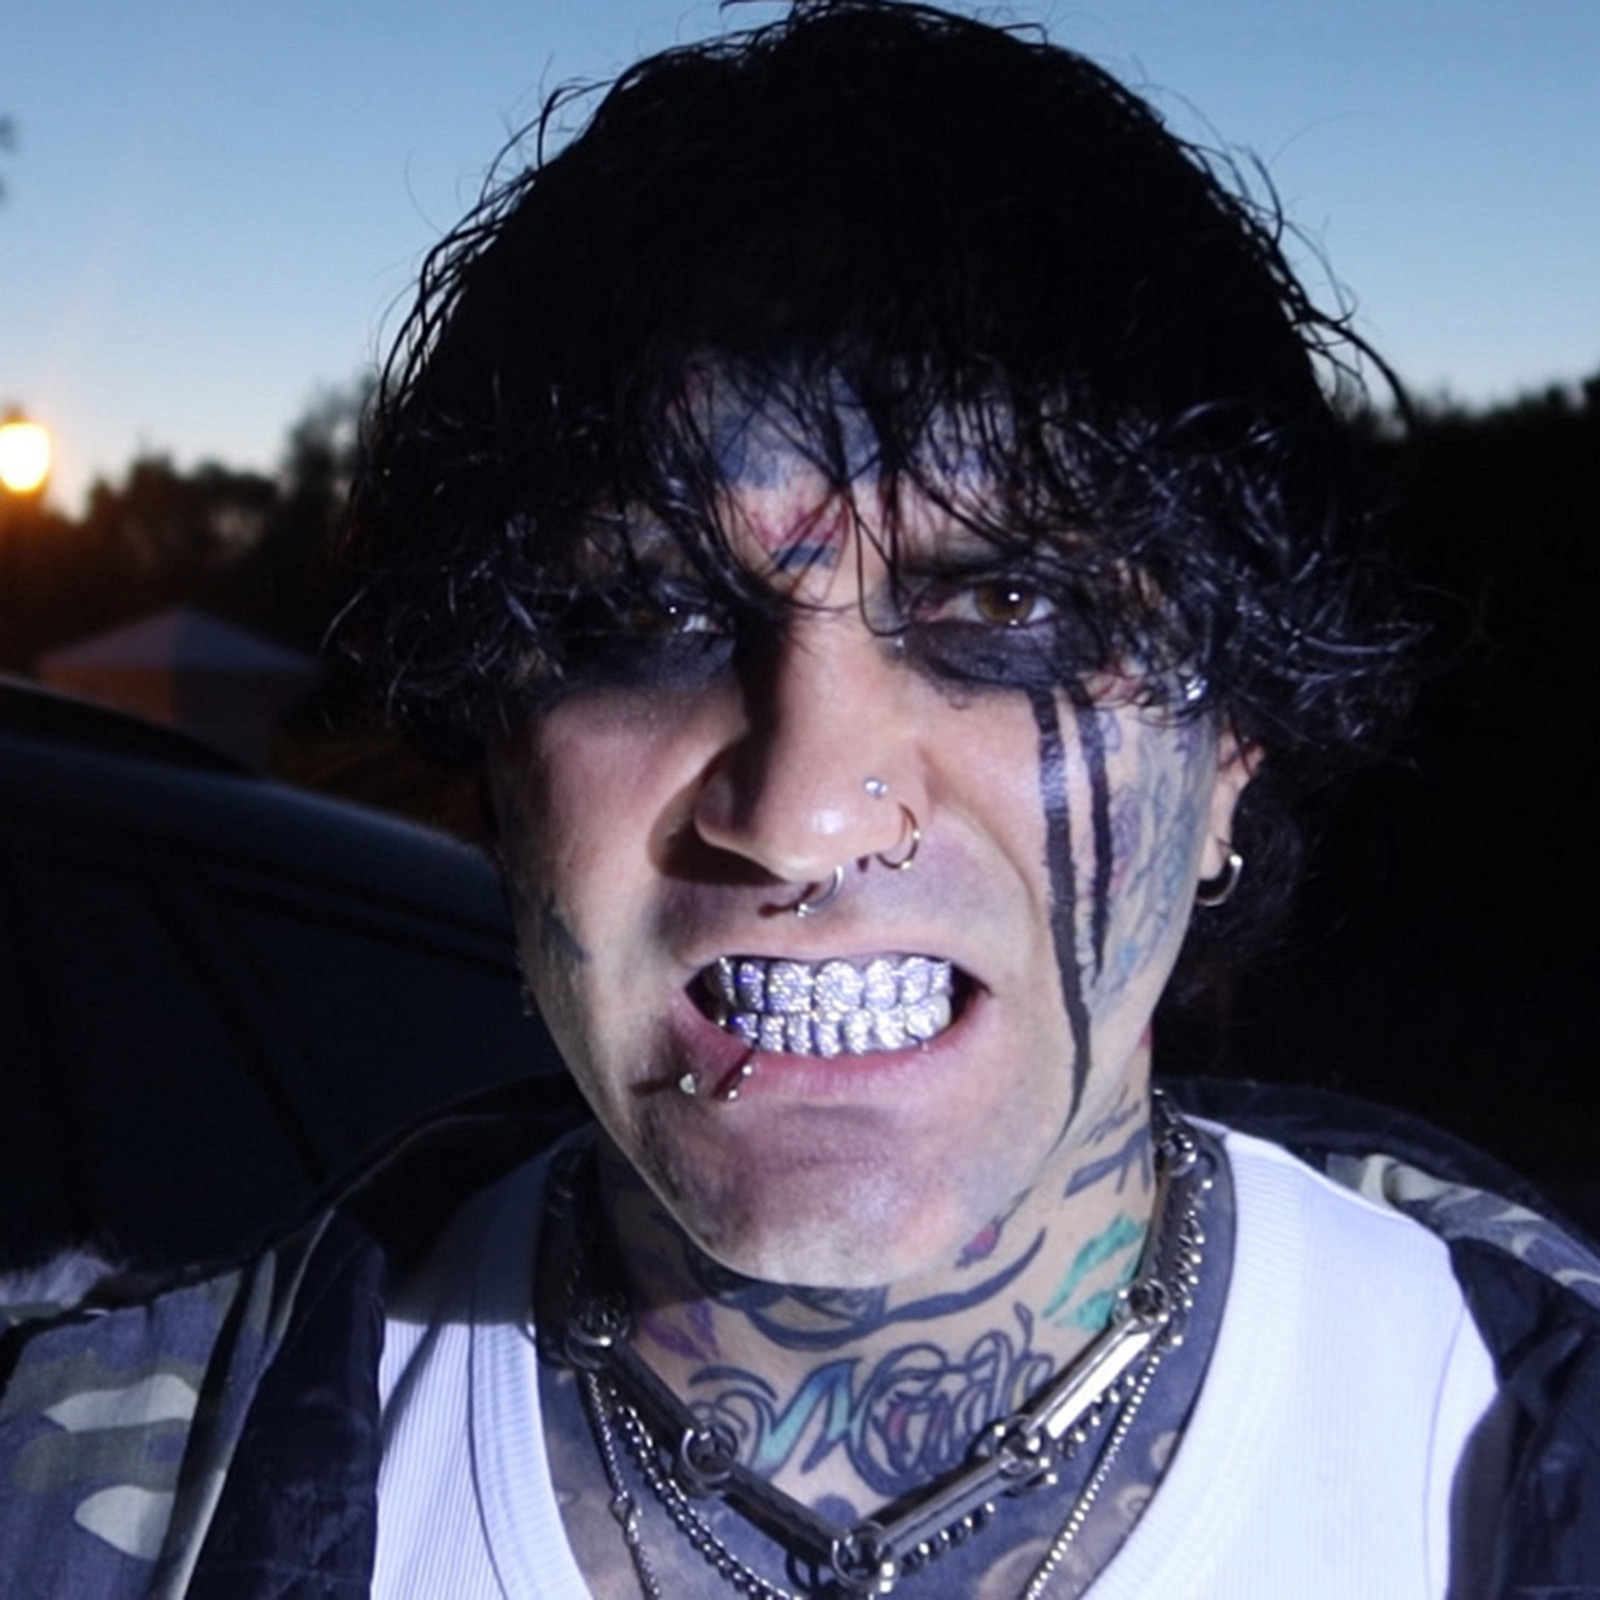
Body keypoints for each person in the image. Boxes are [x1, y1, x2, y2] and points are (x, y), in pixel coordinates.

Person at [3, 3, 1598, 1596]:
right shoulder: (73, 1498)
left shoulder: (1519, 1451)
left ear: (1232, 742)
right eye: (648, 614)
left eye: (1006, 606)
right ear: (497, 763)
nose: (804, 808)